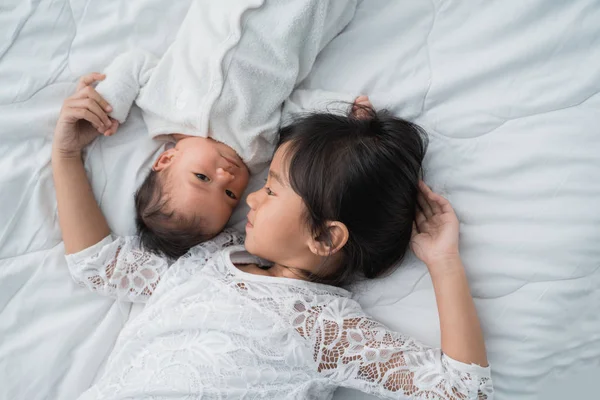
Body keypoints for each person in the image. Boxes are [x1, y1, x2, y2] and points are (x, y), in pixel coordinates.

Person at [53, 79, 493, 398]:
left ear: (324, 237)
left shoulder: (322, 326)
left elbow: (460, 391)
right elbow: (100, 265)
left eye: (272, 188)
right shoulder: (210, 257)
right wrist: (67, 153)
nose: (252, 198)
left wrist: (444, 263)